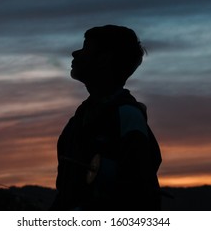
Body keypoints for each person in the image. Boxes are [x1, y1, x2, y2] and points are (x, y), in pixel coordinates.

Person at [51, 25, 162, 210]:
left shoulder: (127, 117)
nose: (74, 53)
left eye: (85, 48)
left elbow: (141, 192)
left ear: (104, 59)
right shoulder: (77, 120)